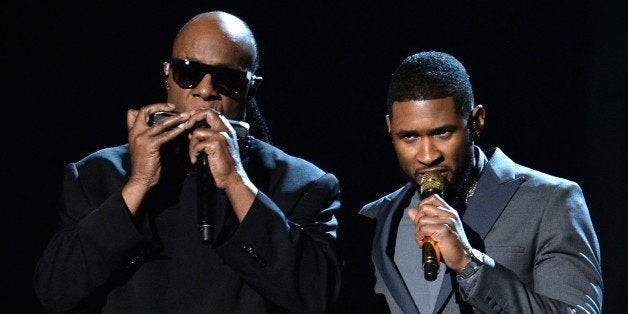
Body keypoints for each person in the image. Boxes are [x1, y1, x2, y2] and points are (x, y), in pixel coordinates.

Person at [34, 11, 341, 313]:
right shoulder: (97, 174)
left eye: (227, 79)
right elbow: (56, 291)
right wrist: (138, 183)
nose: (205, 90)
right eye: (189, 73)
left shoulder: (303, 184)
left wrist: (236, 181)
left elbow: (317, 295)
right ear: (167, 76)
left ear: (252, 89)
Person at [339, 51, 603, 313]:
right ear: (390, 129)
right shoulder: (374, 219)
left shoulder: (550, 201)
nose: (428, 156)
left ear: (476, 122)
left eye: (442, 133)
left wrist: (469, 262)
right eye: (409, 137)